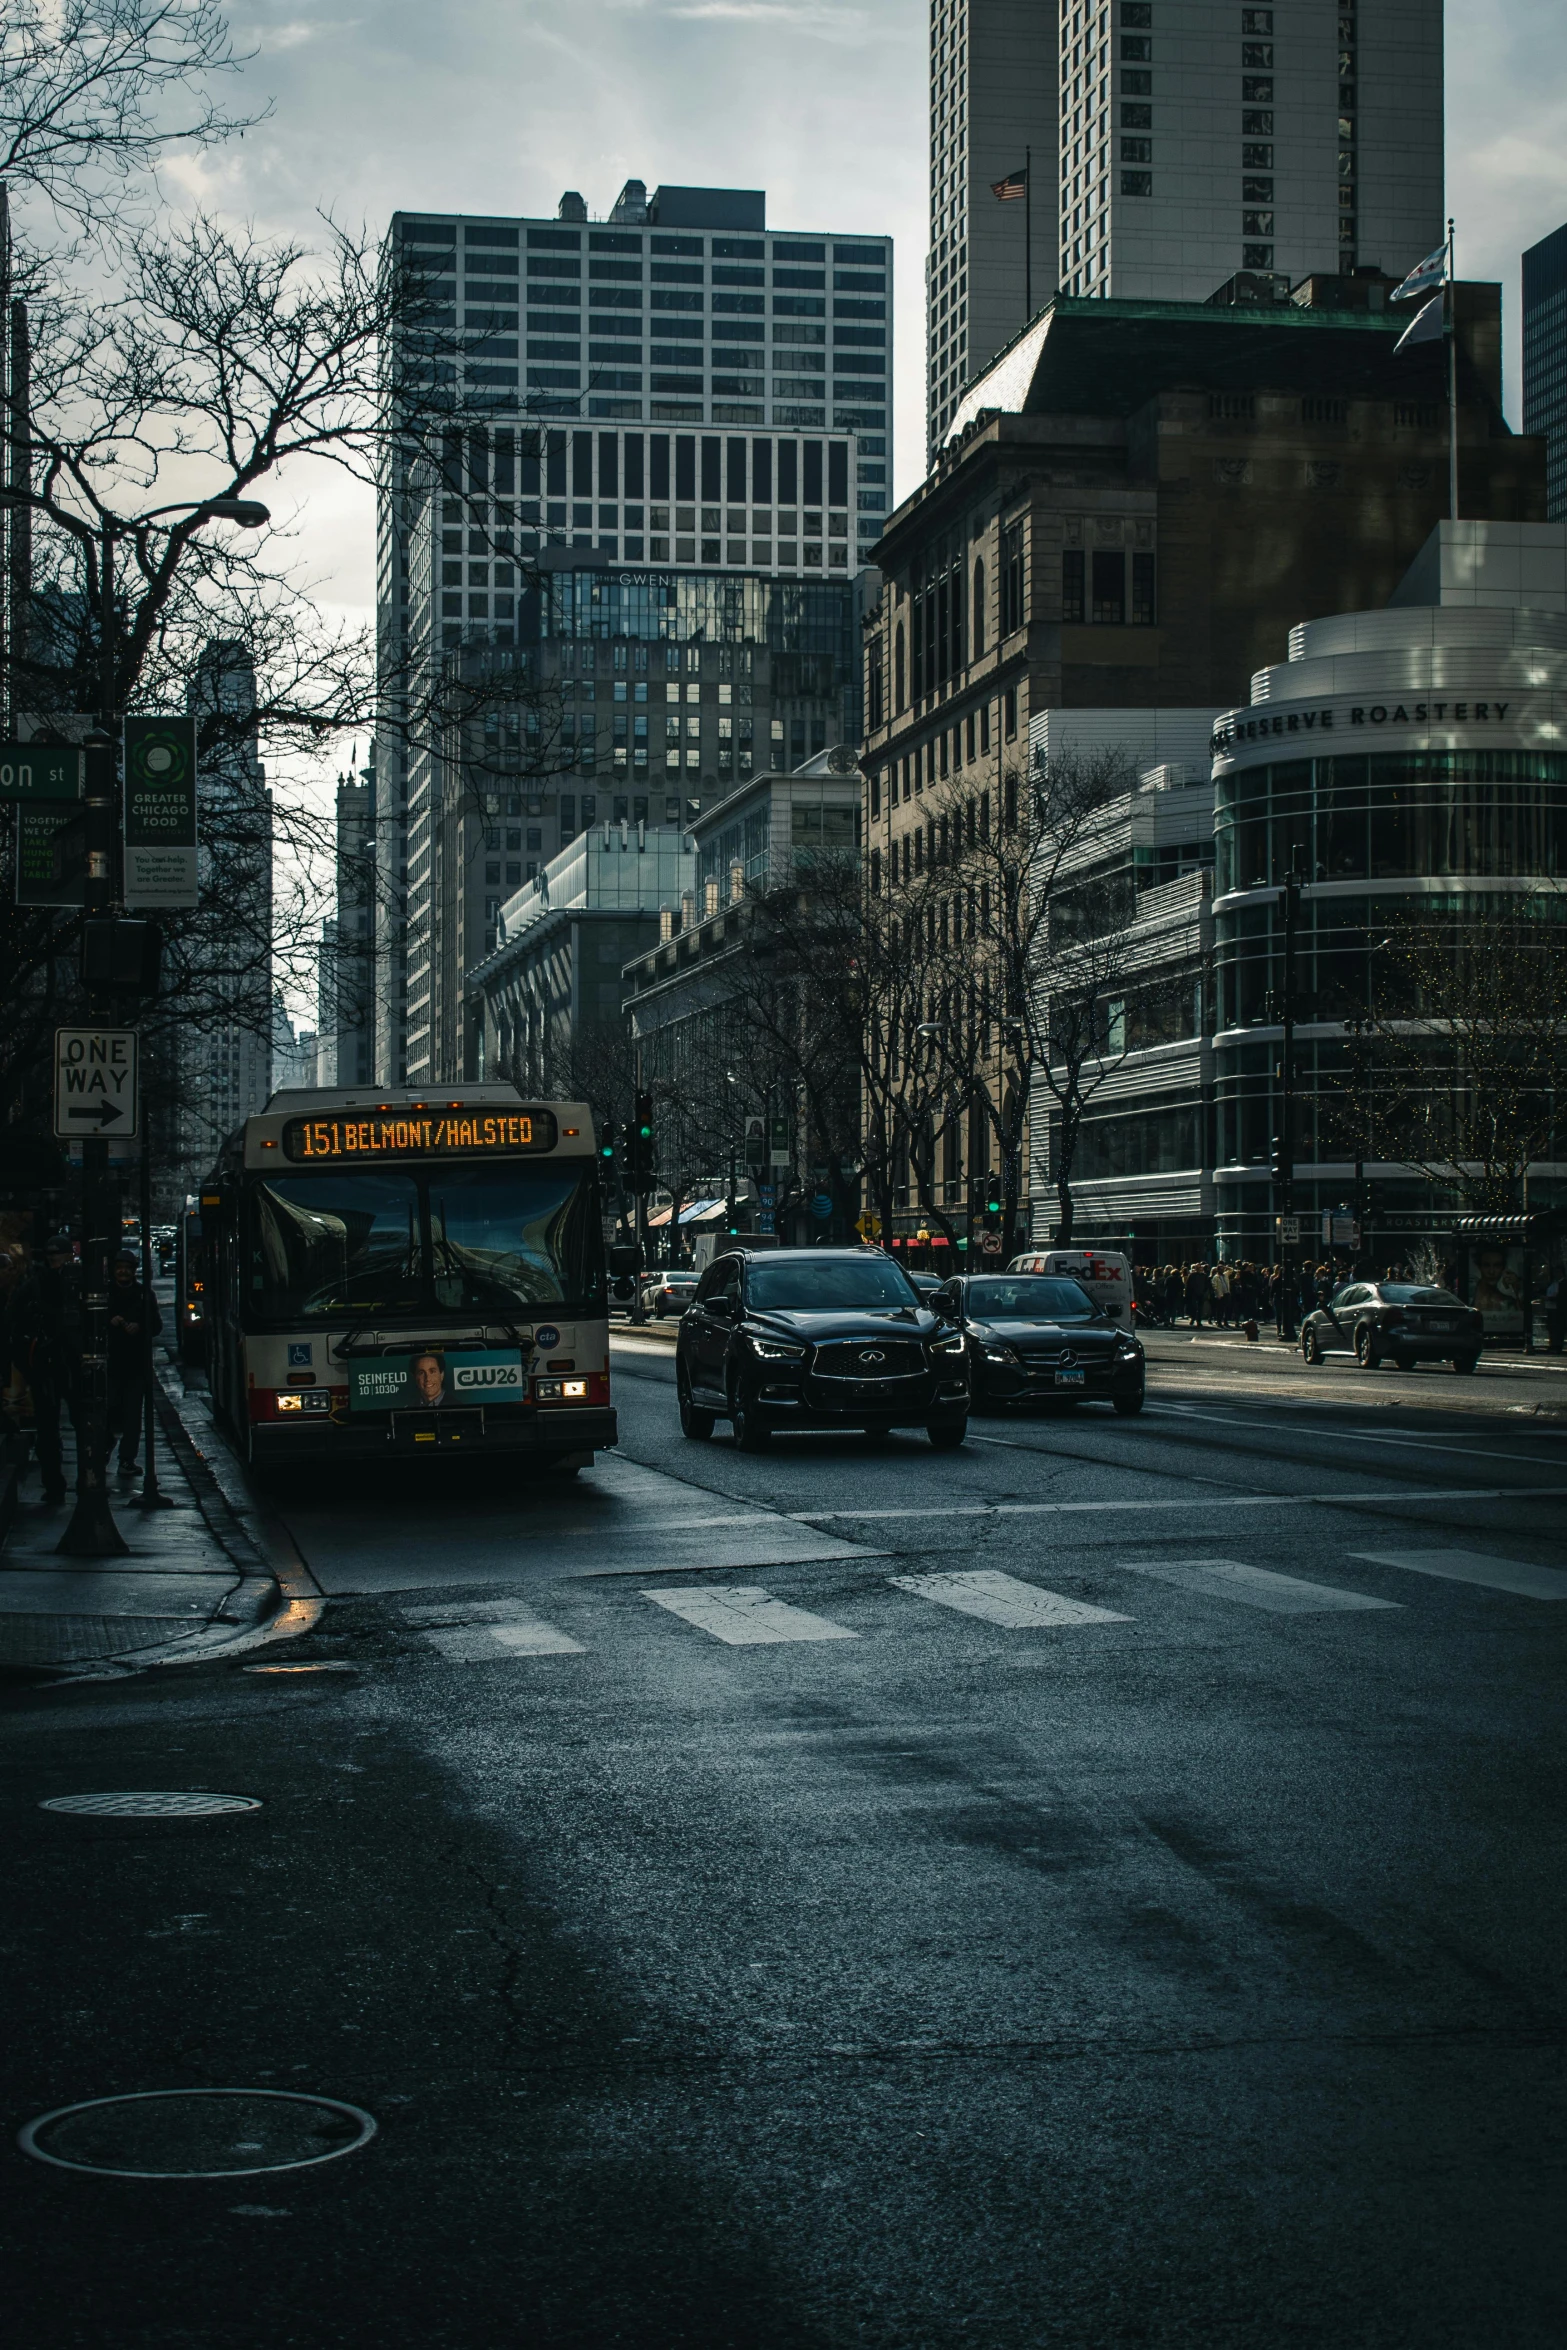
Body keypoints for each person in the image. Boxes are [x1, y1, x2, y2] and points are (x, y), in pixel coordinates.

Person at [9, 1233, 83, 1503]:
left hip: (67, 1361)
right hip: (51, 1361)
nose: (55, 1260)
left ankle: (64, 1483)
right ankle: (57, 1484)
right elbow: (13, 1320)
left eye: (58, 1255)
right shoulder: (37, 1285)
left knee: (72, 1422)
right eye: (52, 1256)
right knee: (51, 1426)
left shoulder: (71, 1282)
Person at [106, 1248, 162, 1475]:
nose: (123, 1272)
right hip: (111, 1363)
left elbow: (157, 1326)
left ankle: (126, 1459)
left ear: (133, 1271)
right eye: (120, 1268)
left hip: (136, 1364)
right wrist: (110, 1321)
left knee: (132, 1416)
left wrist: (140, 1327)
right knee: (109, 1411)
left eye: (127, 1269)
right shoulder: (105, 1294)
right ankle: (106, 1444)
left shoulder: (144, 1294)